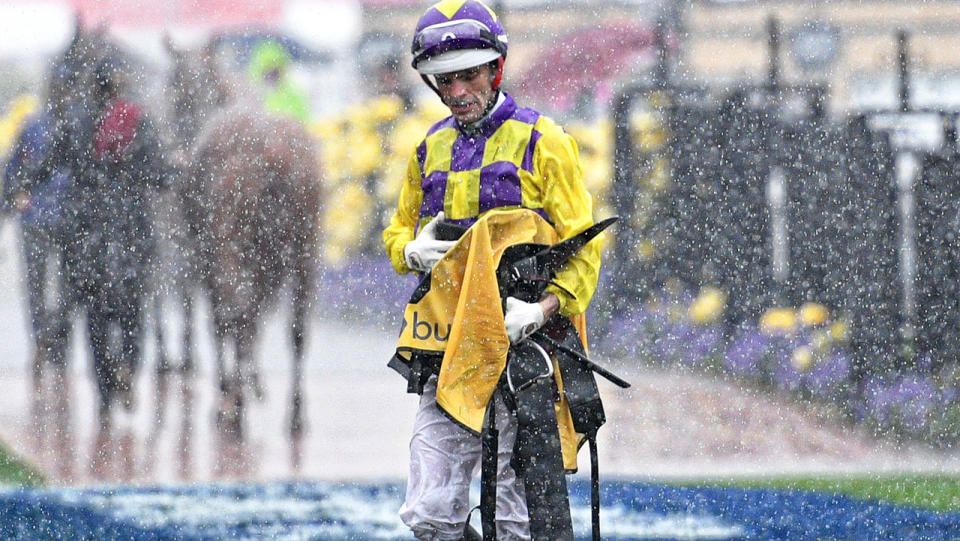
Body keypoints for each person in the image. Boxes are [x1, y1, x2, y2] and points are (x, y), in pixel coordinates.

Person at [382, 1, 603, 539]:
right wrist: (412, 251)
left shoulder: (546, 141)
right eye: (444, 80)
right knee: (429, 516)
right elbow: (395, 233)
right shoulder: (426, 149)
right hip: (447, 357)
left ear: (495, 68)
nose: (457, 91)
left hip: (526, 358)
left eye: (468, 76)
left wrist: (542, 309)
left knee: (517, 524)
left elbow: (586, 250)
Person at [246, 39, 311, 123]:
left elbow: (305, 123)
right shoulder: (251, 98)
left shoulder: (294, 96)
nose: (271, 76)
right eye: (267, 71)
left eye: (275, 71)